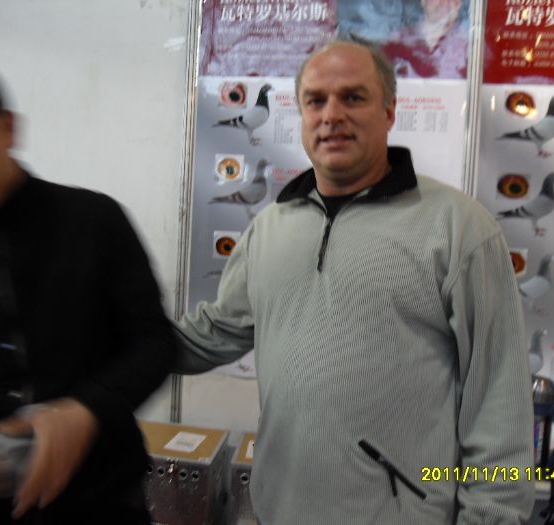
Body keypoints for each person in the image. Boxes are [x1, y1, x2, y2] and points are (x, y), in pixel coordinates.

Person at [175, 35, 534, 524]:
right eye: (315, 101)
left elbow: (499, 396)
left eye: (353, 97)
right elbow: (215, 333)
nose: (331, 115)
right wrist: (113, 336)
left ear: (389, 111)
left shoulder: (458, 229)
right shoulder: (270, 229)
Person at [0, 51, 177, 524]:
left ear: (7, 129)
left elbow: (155, 344)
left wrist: (85, 410)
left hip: (100, 501)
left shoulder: (94, 223)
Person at [382, 0, 468, 79]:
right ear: (423, 1)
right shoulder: (397, 40)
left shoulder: (469, 47)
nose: (444, 2)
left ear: (459, 4)